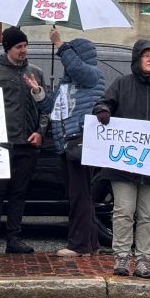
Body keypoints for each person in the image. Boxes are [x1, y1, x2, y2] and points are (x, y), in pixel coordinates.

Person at [94, 38, 150, 279]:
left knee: (148, 214)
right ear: (138, 60)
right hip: (122, 162)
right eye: (146, 55)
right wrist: (103, 111)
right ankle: (121, 257)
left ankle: (143, 259)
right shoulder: (122, 84)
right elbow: (103, 102)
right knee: (123, 210)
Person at [35, 27, 105, 257]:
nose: (67, 62)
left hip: (82, 143)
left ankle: (79, 245)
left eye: (71, 54)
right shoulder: (66, 84)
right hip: (66, 145)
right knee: (79, 195)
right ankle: (91, 242)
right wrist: (39, 94)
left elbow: (78, 69)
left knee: (79, 196)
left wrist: (60, 44)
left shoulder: (92, 75)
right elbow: (53, 109)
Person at [0, 26, 45, 255]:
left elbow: (44, 108)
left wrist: (40, 131)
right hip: (1, 143)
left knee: (19, 192)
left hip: (27, 144)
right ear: (8, 48)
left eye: (25, 46)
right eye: (19, 47)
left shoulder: (35, 72)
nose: (23, 50)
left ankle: (14, 239)